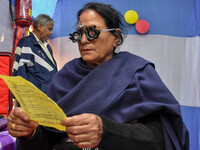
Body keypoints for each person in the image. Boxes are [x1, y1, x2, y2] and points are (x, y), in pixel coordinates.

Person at [7, 2, 189, 150]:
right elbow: (46, 138)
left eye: (92, 32)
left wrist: (107, 132)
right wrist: (29, 132)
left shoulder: (136, 72)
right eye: (79, 34)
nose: (84, 40)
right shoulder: (65, 76)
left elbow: (160, 139)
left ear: (116, 37)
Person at [13, 14, 57, 94]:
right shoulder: (26, 42)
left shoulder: (47, 47)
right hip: (35, 96)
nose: (51, 32)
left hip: (49, 94)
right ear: (39, 27)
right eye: (49, 29)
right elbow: (19, 71)